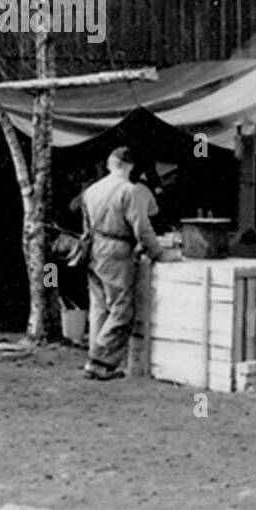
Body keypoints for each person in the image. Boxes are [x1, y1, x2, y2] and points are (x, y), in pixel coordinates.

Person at [81, 145, 163, 381]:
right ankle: (99, 362)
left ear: (109, 164)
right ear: (130, 166)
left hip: (94, 249)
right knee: (121, 308)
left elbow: (86, 228)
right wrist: (158, 253)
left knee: (98, 307)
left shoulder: (92, 190)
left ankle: (93, 357)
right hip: (117, 251)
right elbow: (142, 228)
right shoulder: (130, 191)